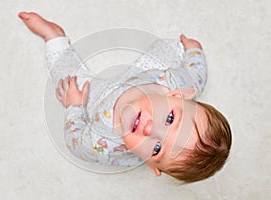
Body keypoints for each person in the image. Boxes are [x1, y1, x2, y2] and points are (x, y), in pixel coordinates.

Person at [18, 12, 232, 183]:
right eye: (169, 119)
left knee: (67, 82)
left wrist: (74, 106)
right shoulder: (175, 81)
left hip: (95, 97)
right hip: (139, 76)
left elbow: (75, 141)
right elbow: (196, 77)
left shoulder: (103, 144)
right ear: (175, 95)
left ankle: (54, 37)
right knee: (168, 50)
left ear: (150, 164)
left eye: (157, 149)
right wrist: (194, 51)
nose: (150, 130)